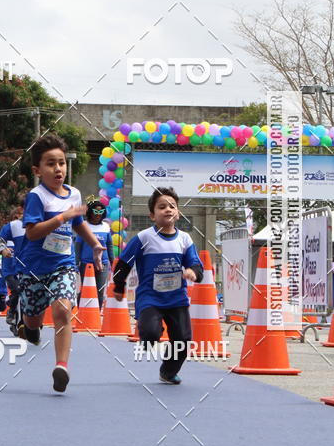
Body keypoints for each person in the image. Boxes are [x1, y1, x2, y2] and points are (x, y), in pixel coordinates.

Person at [18, 134, 104, 393]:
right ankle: (29, 326)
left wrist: (95, 244)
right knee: (33, 321)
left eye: (62, 163)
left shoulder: (75, 193)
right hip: (34, 269)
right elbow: (32, 233)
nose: (58, 169)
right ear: (37, 170)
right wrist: (61, 217)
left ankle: (61, 367)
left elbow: (78, 223)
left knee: (63, 310)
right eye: (51, 164)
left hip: (64, 265)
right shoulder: (37, 196)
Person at [112, 188, 204, 385]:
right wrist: (119, 286)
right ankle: (149, 331)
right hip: (150, 297)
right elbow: (123, 263)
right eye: (162, 207)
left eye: (172, 206)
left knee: (183, 340)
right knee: (151, 335)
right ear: (152, 215)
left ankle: (168, 371)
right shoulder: (144, 238)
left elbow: (196, 264)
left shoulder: (184, 239)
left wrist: (193, 273)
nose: (168, 210)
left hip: (176, 299)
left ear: (178, 213)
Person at [75, 198, 113, 309]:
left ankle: (97, 312)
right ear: (90, 212)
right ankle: (80, 312)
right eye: (96, 212)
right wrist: (76, 263)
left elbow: (109, 245)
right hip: (86, 264)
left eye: (101, 212)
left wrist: (113, 261)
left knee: (100, 290)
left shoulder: (106, 227)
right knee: (85, 289)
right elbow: (78, 246)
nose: (98, 214)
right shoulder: (83, 225)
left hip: (103, 264)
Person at [0, 201, 26, 334]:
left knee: (25, 294)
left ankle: (20, 322)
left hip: (24, 269)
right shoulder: (9, 232)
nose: (19, 218)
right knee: (17, 290)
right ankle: (12, 311)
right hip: (10, 271)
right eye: (17, 216)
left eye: (21, 215)